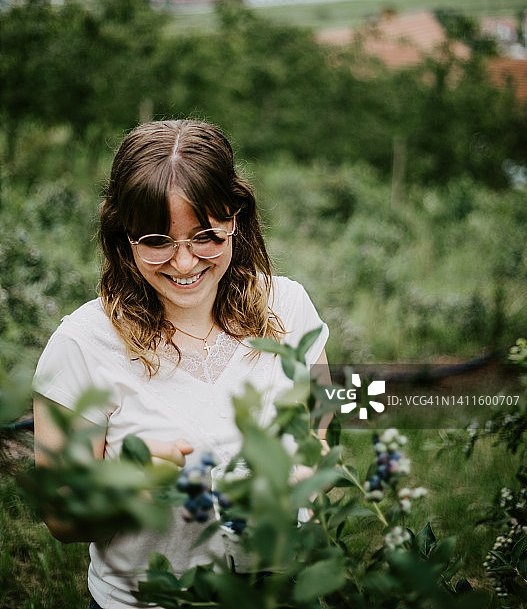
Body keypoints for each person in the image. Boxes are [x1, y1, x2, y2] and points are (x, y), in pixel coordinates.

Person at [33, 118, 330, 609]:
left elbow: (318, 434)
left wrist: (304, 474)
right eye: (156, 241)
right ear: (123, 236)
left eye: (206, 236)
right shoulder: (81, 346)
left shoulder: (291, 309)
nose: (186, 263)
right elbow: (61, 518)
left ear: (236, 217)